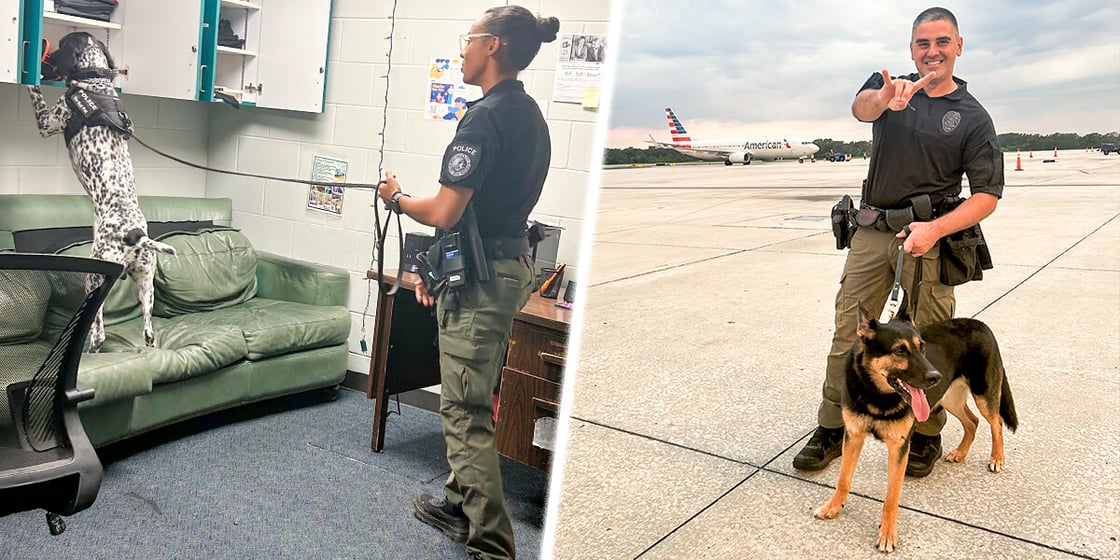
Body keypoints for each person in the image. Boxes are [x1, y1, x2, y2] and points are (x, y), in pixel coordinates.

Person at [377, 6, 559, 560]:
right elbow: (487, 213)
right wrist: (442, 269)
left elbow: (445, 211)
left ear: (494, 46)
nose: (462, 50)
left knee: (463, 410)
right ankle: (460, 505)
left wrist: (396, 199)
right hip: (498, 268)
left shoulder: (484, 119)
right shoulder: (529, 114)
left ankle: (493, 544)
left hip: (484, 280)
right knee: (474, 393)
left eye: (469, 40)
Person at [792, 7, 1004, 478]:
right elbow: (861, 107)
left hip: (928, 239)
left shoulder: (972, 117)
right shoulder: (890, 89)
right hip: (871, 232)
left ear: (959, 46)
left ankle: (926, 435)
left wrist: (935, 229)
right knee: (851, 333)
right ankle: (832, 427)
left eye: (942, 42)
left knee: (924, 340)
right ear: (911, 49)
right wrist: (885, 99)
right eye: (923, 43)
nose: (932, 52)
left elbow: (988, 194)